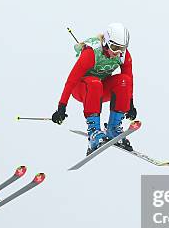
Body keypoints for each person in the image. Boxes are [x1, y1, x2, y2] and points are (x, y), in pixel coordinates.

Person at [51, 23, 138, 154]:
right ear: (106, 42)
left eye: (122, 48)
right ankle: (94, 132)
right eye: (114, 47)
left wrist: (130, 104)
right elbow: (71, 81)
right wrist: (61, 107)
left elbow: (129, 80)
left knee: (124, 80)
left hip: (101, 90)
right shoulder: (91, 53)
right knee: (94, 83)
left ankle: (113, 128)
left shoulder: (124, 56)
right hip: (81, 89)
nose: (117, 53)